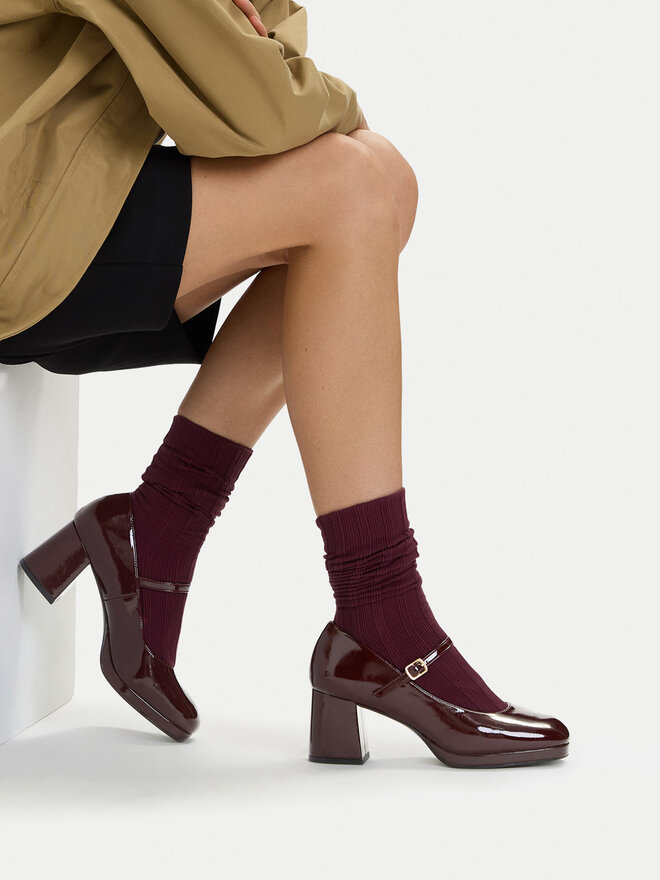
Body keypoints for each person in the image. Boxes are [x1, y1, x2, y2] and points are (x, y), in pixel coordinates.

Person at [3, 0, 569, 767]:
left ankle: (161, 523)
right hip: (18, 208)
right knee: (351, 186)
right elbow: (249, 102)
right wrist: (312, 99)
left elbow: (264, 61)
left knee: (379, 183)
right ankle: (378, 607)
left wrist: (261, 75)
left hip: (66, 180)